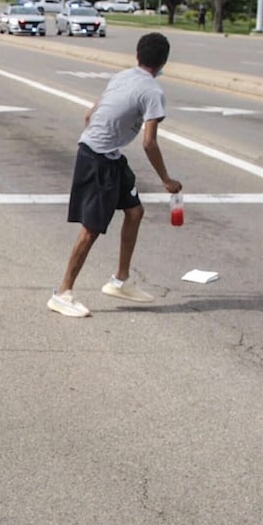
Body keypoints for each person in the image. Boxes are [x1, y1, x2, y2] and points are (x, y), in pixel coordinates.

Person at [48, 32, 182, 318]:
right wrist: (166, 180)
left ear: (138, 55)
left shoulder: (122, 77)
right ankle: (62, 293)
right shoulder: (153, 93)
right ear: (163, 62)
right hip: (98, 159)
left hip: (106, 155)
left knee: (134, 212)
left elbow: (90, 115)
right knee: (91, 228)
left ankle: (120, 281)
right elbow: (149, 142)